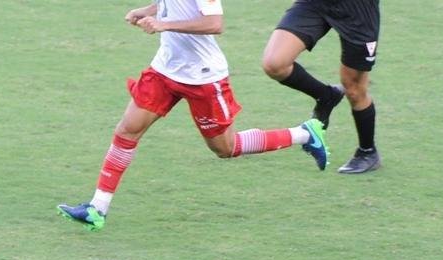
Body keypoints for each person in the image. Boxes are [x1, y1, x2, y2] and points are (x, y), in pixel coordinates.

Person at [57, 0, 328, 231]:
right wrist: (148, 10)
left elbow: (214, 23)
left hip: (203, 77)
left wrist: (163, 25)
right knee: (127, 131)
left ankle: (304, 134)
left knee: (225, 148)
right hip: (165, 69)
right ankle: (97, 208)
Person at [262, 0, 381, 173]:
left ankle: (368, 152)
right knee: (274, 63)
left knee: (354, 89)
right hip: (315, 3)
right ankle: (326, 96)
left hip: (358, 10)